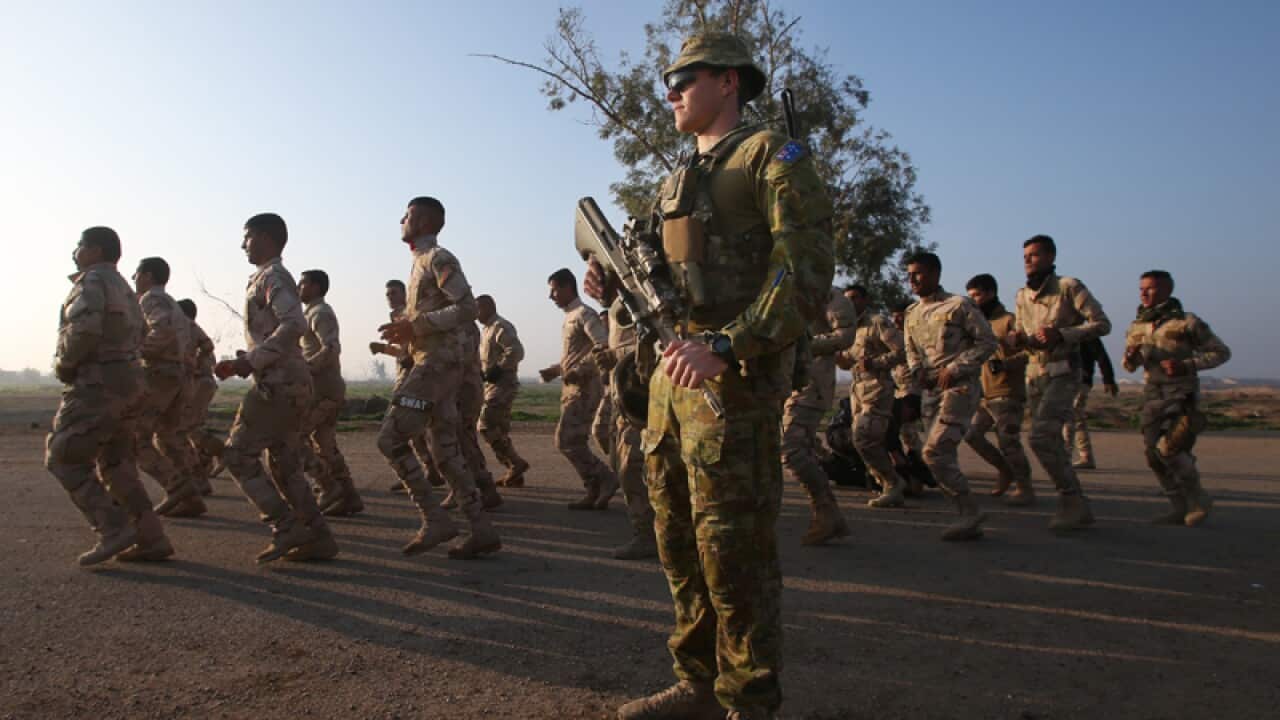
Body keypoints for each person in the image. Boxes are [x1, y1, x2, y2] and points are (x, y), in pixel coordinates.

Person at [601, 31, 835, 720]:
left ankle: (749, 701)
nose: (670, 91)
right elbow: (661, 280)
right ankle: (697, 683)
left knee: (735, 554)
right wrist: (608, 284)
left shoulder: (772, 156)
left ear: (730, 81)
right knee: (678, 543)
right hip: (673, 383)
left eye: (685, 77)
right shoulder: (677, 179)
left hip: (732, 381)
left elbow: (805, 271)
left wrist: (731, 345)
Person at [376, 196, 500, 559]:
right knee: (444, 450)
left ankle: (434, 519)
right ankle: (481, 529)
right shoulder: (419, 263)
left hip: (435, 369)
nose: (401, 219)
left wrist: (416, 325)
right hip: (435, 368)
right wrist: (408, 332)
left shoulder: (437, 258)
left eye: (408, 215)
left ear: (426, 220)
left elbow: (466, 307)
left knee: (391, 439)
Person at [214, 213, 339, 563]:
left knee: (237, 455)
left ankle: (286, 527)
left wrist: (251, 362)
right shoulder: (267, 277)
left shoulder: (273, 278)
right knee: (285, 466)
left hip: (279, 384)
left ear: (267, 239)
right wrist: (248, 358)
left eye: (248, 237)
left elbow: (293, 323)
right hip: (290, 382)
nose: (243, 245)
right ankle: (319, 537)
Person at [45, 227, 174, 565]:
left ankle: (112, 528)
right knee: (117, 464)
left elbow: (82, 332)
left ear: (96, 250)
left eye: (79, 245)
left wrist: (64, 364)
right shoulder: (126, 290)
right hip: (130, 384)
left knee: (63, 457)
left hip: (97, 384)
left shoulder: (90, 283)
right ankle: (150, 536)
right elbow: (144, 333)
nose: (74, 251)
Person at [1013, 234, 1111, 530]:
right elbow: (1024, 335)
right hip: (1035, 374)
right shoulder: (1022, 296)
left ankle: (1071, 499)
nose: (1029, 260)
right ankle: (1075, 503)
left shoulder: (1069, 287)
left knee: (1040, 437)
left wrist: (1063, 334)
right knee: (1050, 440)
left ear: (1051, 257)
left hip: (1064, 372)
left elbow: (1101, 324)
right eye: (1025, 256)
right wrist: (1018, 340)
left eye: (1035, 255)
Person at [1123, 270, 1230, 526]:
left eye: (1151, 289)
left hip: (1180, 395)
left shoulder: (1186, 322)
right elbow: (1129, 367)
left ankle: (1197, 499)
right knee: (1152, 454)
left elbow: (1220, 352)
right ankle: (1178, 506)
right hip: (1152, 397)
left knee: (1170, 449)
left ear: (1167, 291)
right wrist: (1130, 357)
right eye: (1141, 289)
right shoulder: (1138, 325)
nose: (1144, 293)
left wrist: (1187, 365)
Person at [902, 252, 996, 541]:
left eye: (918, 273)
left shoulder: (958, 305)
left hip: (959, 389)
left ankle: (969, 512)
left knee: (935, 452)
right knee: (936, 455)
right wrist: (917, 371)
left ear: (935, 274)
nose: (913, 279)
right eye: (909, 274)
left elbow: (988, 342)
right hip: (931, 391)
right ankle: (966, 515)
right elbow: (911, 350)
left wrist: (956, 367)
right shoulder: (912, 313)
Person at [540, 267, 618, 510]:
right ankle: (593, 489)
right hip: (572, 388)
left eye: (553, 291)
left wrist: (580, 371)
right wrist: (557, 370)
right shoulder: (570, 316)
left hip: (584, 388)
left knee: (566, 440)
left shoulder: (585, 314)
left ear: (566, 287)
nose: (551, 297)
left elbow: (602, 345)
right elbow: (576, 356)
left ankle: (605, 479)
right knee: (573, 440)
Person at [134, 257, 205, 519]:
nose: (134, 279)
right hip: (179, 376)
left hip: (159, 374)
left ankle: (178, 489)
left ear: (148, 276)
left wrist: (136, 351)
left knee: (136, 439)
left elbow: (161, 330)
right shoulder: (173, 303)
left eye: (137, 274)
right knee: (168, 436)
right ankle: (191, 496)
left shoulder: (151, 300)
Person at [781, 288, 854, 544]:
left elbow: (845, 335)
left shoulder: (826, 294)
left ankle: (826, 510)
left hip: (809, 383)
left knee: (790, 449)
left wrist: (804, 347)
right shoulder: (770, 288)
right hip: (776, 382)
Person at [595, 295, 658, 560]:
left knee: (631, 466)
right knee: (621, 461)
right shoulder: (619, 299)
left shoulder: (642, 290)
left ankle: (649, 535)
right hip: (624, 393)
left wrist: (615, 354)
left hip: (643, 395)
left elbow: (659, 337)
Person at [297, 269, 364, 517]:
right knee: (325, 443)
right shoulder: (311, 313)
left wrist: (306, 367)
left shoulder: (320, 313)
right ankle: (349, 496)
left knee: (295, 437)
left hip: (323, 390)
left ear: (315, 287)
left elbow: (331, 347)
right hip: (325, 388)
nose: (298, 287)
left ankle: (327, 487)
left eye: (302, 283)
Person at [963, 274, 1034, 505]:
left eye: (978, 294)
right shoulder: (976, 324)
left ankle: (1025, 487)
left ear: (991, 293)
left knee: (1008, 441)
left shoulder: (1009, 321)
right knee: (972, 435)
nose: (974, 300)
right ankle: (1005, 470)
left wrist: (1006, 363)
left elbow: (1031, 353)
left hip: (1007, 393)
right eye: (970, 295)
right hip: (983, 395)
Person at [839, 284, 908, 508]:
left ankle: (893, 482)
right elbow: (850, 359)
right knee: (862, 440)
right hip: (857, 391)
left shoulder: (877, 323)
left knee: (864, 438)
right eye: (846, 299)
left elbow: (901, 351)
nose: (850, 303)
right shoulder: (849, 330)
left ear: (865, 300)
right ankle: (888, 483)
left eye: (855, 298)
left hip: (878, 388)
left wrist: (875, 363)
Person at [370, 279, 442, 493]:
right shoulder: (395, 317)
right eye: (387, 294)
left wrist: (386, 349)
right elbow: (403, 353)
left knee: (402, 427)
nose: (389, 297)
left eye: (393, 293)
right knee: (414, 430)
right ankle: (428, 470)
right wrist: (384, 349)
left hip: (415, 381)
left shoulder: (412, 315)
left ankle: (420, 473)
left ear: (405, 294)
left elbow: (414, 351)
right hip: (405, 379)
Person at [476, 294, 530, 487]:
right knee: (500, 429)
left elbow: (516, 350)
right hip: (491, 385)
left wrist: (498, 368)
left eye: (478, 309)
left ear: (489, 307)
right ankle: (514, 473)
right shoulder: (486, 330)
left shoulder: (500, 326)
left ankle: (516, 463)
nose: (475, 313)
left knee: (485, 425)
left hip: (503, 385)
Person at [176, 299, 221, 495]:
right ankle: (205, 465)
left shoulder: (188, 329)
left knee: (185, 428)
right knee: (192, 427)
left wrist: (190, 364)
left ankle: (223, 453)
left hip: (198, 383)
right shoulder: (194, 330)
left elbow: (204, 354)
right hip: (203, 383)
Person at [1066, 337, 1118, 469]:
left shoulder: (1087, 334)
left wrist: (1108, 379)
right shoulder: (1062, 330)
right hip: (1064, 380)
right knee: (1076, 418)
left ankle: (1064, 456)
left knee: (1070, 414)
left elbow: (1101, 356)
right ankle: (1086, 456)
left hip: (1081, 380)